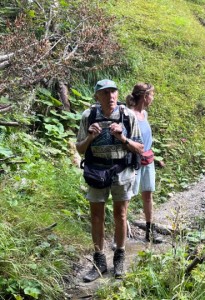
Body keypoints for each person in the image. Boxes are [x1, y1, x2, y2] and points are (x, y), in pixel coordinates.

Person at [76, 79, 144, 282]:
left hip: (122, 171)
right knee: (96, 216)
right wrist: (90, 138)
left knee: (121, 215)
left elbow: (140, 148)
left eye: (113, 92)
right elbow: (79, 149)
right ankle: (99, 261)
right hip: (96, 170)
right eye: (105, 93)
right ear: (97, 96)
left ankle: (119, 258)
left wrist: (122, 137)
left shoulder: (127, 116)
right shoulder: (89, 116)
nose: (110, 96)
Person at [126, 82, 163, 244]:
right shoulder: (129, 115)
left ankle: (149, 231)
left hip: (147, 161)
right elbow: (124, 138)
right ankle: (120, 233)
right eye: (151, 95)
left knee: (148, 195)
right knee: (126, 197)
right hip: (134, 162)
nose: (153, 98)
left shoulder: (145, 115)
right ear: (144, 96)